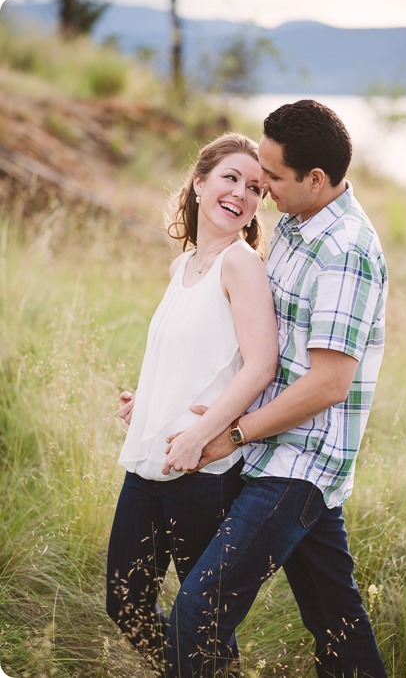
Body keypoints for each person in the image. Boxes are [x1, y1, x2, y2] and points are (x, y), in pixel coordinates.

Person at [163, 100, 389, 678]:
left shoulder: (346, 251)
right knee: (336, 622)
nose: (261, 187)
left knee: (200, 607)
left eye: (274, 178)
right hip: (272, 447)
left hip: (301, 460)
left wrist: (231, 433)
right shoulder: (298, 219)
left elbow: (329, 383)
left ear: (316, 179)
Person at [105, 133, 278, 670]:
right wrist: (151, 398)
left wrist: (203, 435)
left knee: (202, 621)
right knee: (125, 602)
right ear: (199, 182)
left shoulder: (241, 264)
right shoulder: (181, 268)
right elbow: (188, 355)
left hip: (203, 469)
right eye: (231, 178)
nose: (242, 194)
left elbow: (259, 365)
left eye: (255, 188)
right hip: (152, 458)